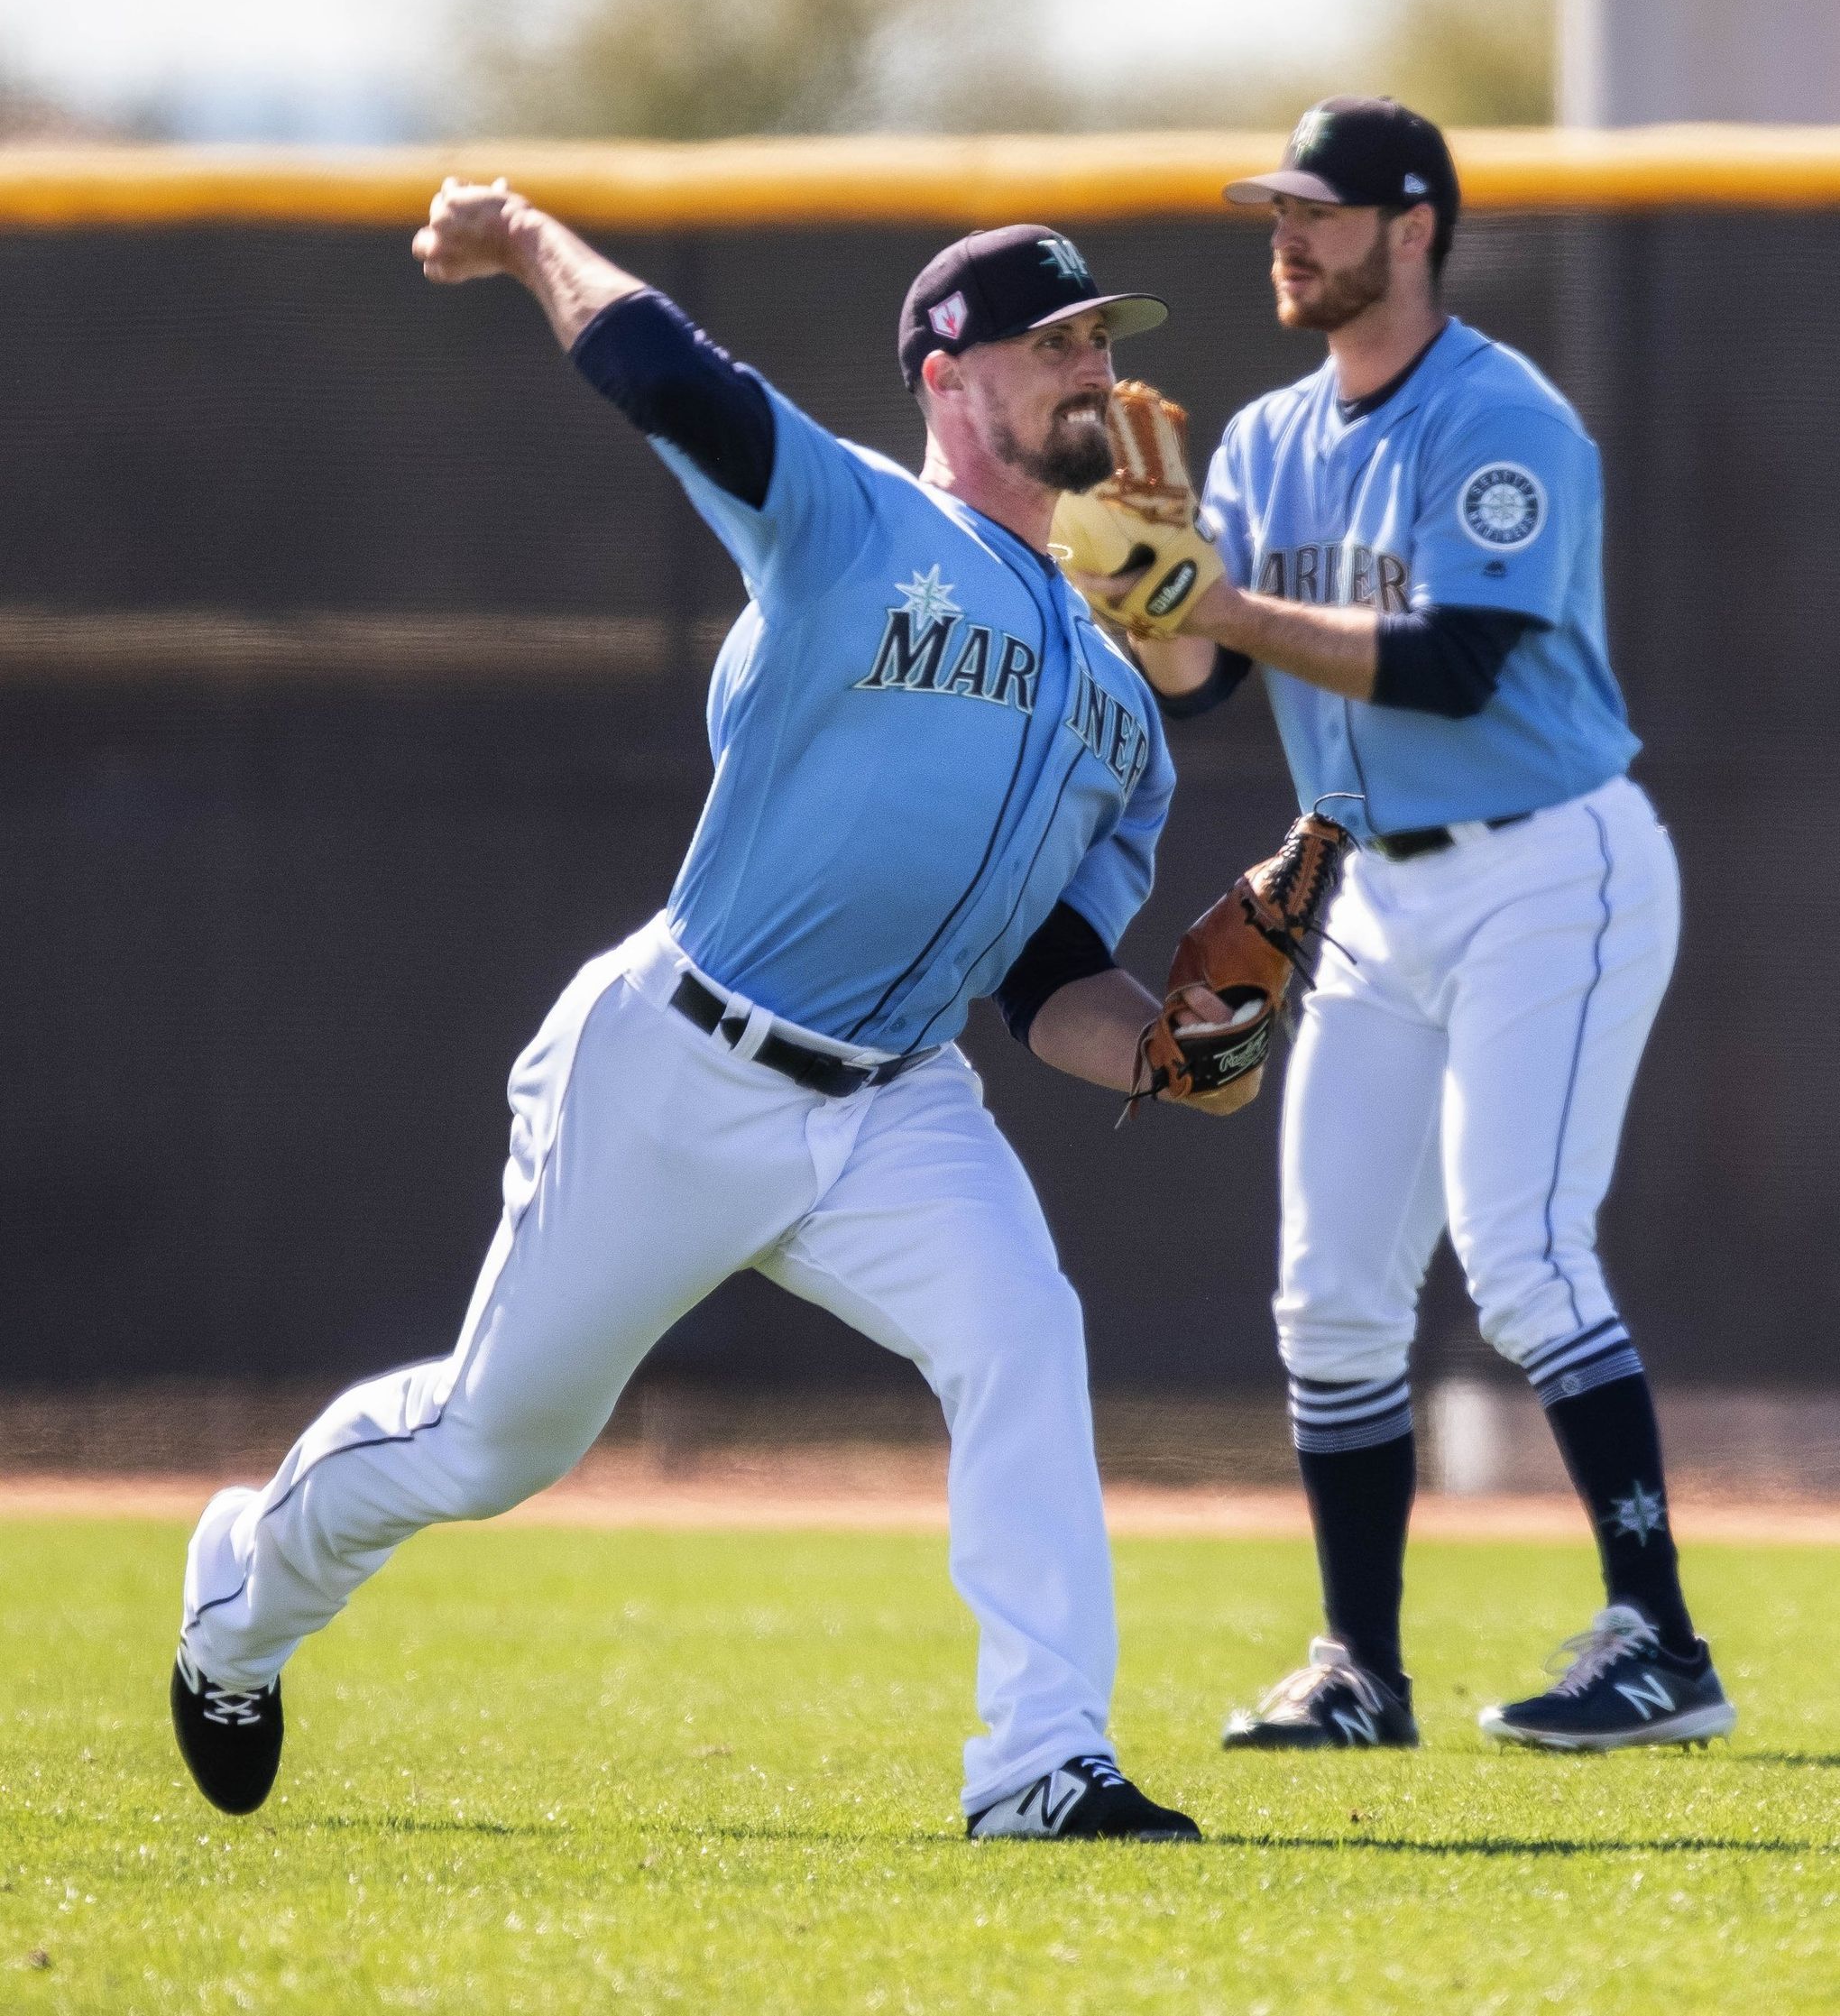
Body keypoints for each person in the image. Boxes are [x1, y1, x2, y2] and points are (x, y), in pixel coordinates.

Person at [167, 181, 1238, 1840]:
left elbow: (1050, 991)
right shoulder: (860, 526)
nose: (1093, 369)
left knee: (1024, 1333)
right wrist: (525, 237)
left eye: (1102, 338)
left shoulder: (1122, 706)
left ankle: (1041, 1765)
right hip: (682, 1060)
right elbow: (671, 376)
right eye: (1053, 343)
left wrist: (1167, 1053)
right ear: (948, 378)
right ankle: (242, 1592)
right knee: (488, 1444)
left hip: (892, 1096)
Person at [1121, 98, 1734, 1752]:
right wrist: (1155, 598)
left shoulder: (1500, 415)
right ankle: (1359, 1672)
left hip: (1554, 864)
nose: (1285, 236)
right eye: (1275, 211)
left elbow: (1457, 661)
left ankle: (1663, 1640)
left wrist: (1219, 599)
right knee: (1327, 1295)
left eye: (1318, 211)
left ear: (1415, 226)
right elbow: (1207, 683)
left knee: (1523, 1255)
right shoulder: (1259, 440)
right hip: (1374, 887)